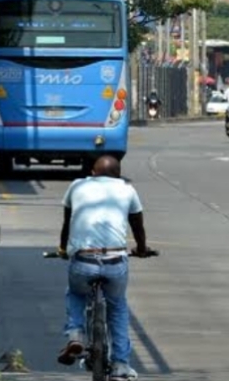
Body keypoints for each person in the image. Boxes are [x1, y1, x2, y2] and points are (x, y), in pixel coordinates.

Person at [56, 155, 152, 380]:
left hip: (83, 261)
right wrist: (141, 248)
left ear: (93, 172)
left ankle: (76, 335)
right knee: (117, 306)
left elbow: (67, 223)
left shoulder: (77, 185)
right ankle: (120, 365)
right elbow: (138, 225)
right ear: (118, 174)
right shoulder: (127, 190)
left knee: (76, 293)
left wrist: (62, 249)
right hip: (115, 262)